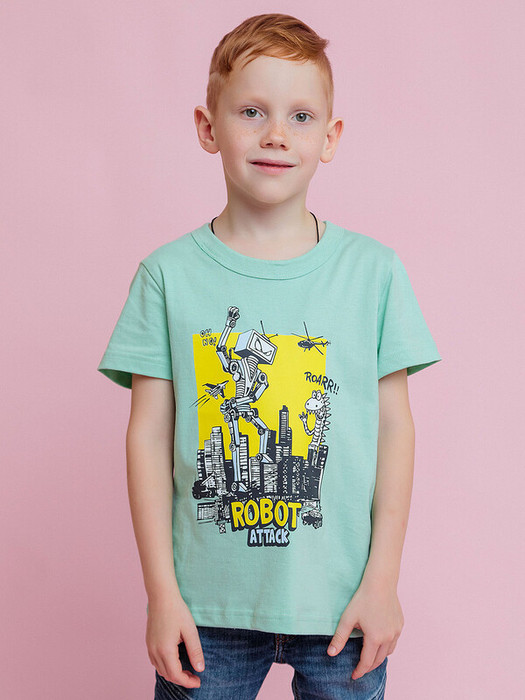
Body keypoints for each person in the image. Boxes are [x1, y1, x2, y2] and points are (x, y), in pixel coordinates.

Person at [97, 13, 442, 700]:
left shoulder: (373, 273)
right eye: (251, 111)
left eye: (300, 116)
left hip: (343, 605)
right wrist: (161, 595)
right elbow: (147, 437)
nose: (276, 134)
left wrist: (383, 582)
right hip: (206, 612)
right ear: (208, 127)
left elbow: (394, 429)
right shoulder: (166, 276)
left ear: (330, 137)